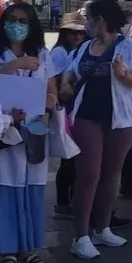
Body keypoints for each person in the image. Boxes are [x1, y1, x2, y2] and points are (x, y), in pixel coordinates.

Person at [0, 2, 59, 263]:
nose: (17, 25)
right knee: (6, 188)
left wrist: (46, 112)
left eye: (23, 20)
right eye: (12, 19)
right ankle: (7, 252)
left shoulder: (42, 53)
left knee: (31, 188)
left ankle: (29, 248)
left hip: (33, 132)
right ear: (4, 22)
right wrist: (16, 64)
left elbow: (51, 91)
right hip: (4, 129)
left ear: (32, 25)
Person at [58, 0, 132, 259]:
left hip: (121, 118)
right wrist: (65, 84)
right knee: (89, 175)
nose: (85, 24)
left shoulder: (131, 48)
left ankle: (102, 228)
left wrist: (124, 75)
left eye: (89, 19)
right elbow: (71, 70)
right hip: (87, 116)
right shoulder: (86, 46)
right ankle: (81, 236)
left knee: (111, 174)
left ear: (101, 20)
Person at [50, 13, 88, 219]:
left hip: (75, 106)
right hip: (65, 107)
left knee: (74, 157)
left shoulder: (79, 50)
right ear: (64, 33)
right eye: (72, 32)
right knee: (68, 158)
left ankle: (70, 199)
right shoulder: (59, 53)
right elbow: (54, 82)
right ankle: (63, 202)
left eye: (81, 33)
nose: (77, 36)